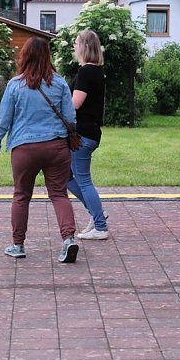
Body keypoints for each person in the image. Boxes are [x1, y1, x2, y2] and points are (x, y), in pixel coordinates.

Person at [0, 37, 80, 263]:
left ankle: (18, 244)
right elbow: (70, 118)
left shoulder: (15, 85)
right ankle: (68, 239)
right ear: (48, 56)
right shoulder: (59, 83)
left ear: (25, 56)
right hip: (56, 147)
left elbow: (3, 120)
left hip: (24, 148)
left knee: (21, 195)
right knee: (58, 194)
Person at [67, 30, 110, 240]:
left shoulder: (86, 72)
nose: (74, 47)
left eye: (76, 43)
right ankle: (96, 214)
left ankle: (100, 225)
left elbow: (74, 104)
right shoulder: (96, 72)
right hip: (89, 132)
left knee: (83, 180)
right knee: (66, 175)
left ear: (84, 46)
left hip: (82, 134)